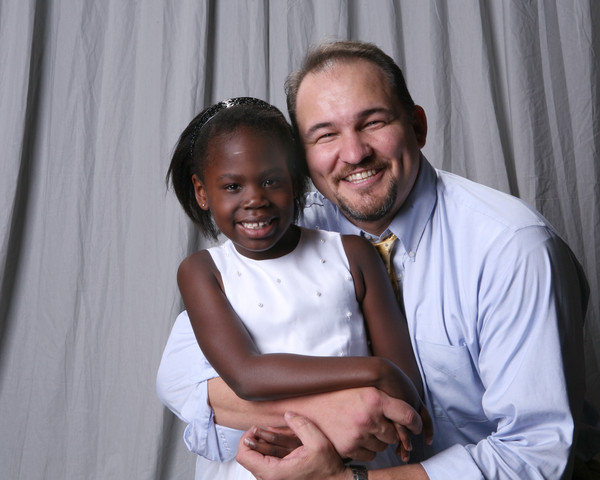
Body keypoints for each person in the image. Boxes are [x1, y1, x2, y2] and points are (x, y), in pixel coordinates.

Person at [158, 41, 599, 479]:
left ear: (418, 126)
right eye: (325, 134)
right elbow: (182, 379)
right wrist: (322, 411)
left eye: (373, 122)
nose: (353, 154)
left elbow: (535, 457)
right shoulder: (286, 233)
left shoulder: (512, 250)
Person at [163, 96, 430, 479]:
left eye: (271, 180)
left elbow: (404, 391)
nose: (255, 198)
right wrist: (374, 371)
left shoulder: (353, 254)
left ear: (296, 181)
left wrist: (381, 383)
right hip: (260, 461)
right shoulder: (203, 272)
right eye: (233, 186)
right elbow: (247, 375)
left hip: (355, 457)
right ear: (203, 192)